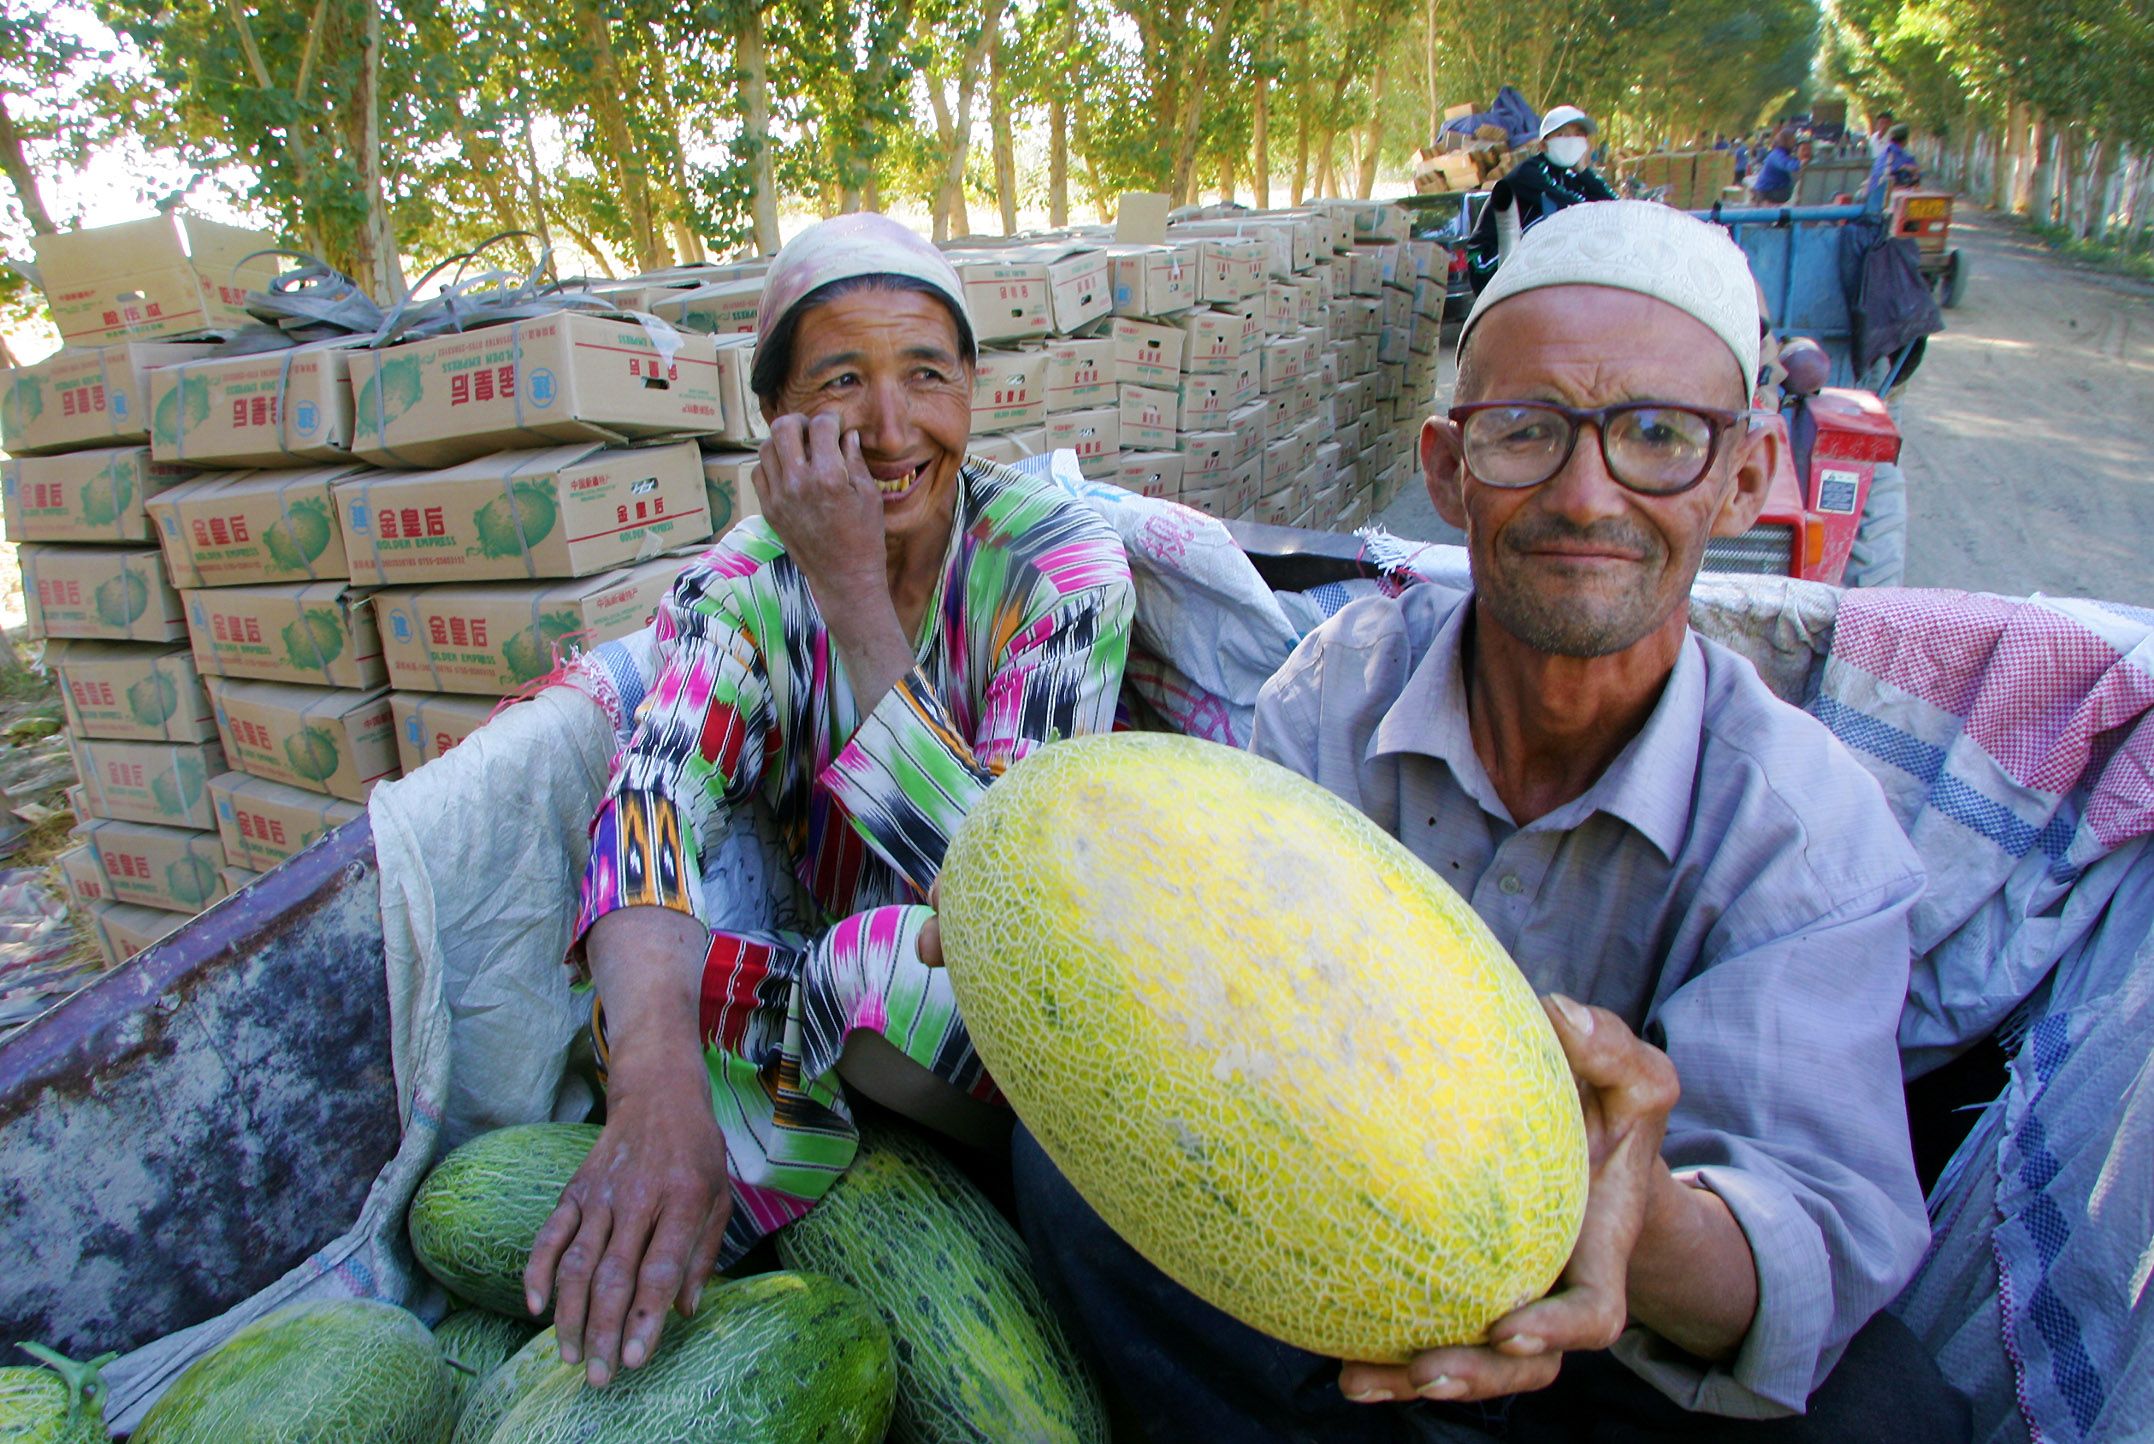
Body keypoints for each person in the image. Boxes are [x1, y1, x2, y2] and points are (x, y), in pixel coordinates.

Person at [1002, 201, 1972, 1443]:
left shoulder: (1806, 835)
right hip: (1340, 1290)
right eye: (1525, 432)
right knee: (1070, 1177)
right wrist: (1069, 942)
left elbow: (1803, 1257)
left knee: (1889, 1417)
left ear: (1746, 476)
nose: (1585, 494)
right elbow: (1228, 1015)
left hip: (1623, 1359)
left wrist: (1628, 1214)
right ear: (1448, 470)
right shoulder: (1334, 699)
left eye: (1659, 436)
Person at [524, 211, 1135, 1388]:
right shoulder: (740, 585)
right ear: (780, 419)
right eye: (844, 380)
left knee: (878, 967)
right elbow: (652, 797)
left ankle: (978, 1199)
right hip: (839, 1013)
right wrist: (653, 1092)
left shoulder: (1060, 564)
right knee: (655, 995)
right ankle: (741, 1179)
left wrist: (855, 587)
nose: (894, 428)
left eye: (927, 376)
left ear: (973, 391)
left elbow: (1010, 897)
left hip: (1024, 1007)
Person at [1465, 104, 1615, 295]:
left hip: (1522, 262)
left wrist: (1584, 171)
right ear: (1543, 144)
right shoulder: (1530, 172)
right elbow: (1577, 209)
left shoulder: (1568, 177)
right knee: (1555, 221)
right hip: (1487, 261)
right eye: (1562, 135)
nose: (1571, 141)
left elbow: (1613, 206)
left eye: (1578, 135)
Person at [1749, 127, 1802, 203]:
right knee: (1798, 189)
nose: (1795, 140)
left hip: (1773, 190)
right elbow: (1787, 165)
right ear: (1785, 141)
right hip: (1769, 192)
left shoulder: (1781, 153)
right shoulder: (1777, 154)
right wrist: (1801, 163)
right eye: (1792, 138)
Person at [1868, 123, 1922, 195]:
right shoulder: (1904, 157)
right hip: (1891, 198)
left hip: (1873, 197)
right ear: (1905, 140)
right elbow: (1917, 173)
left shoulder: (1883, 155)